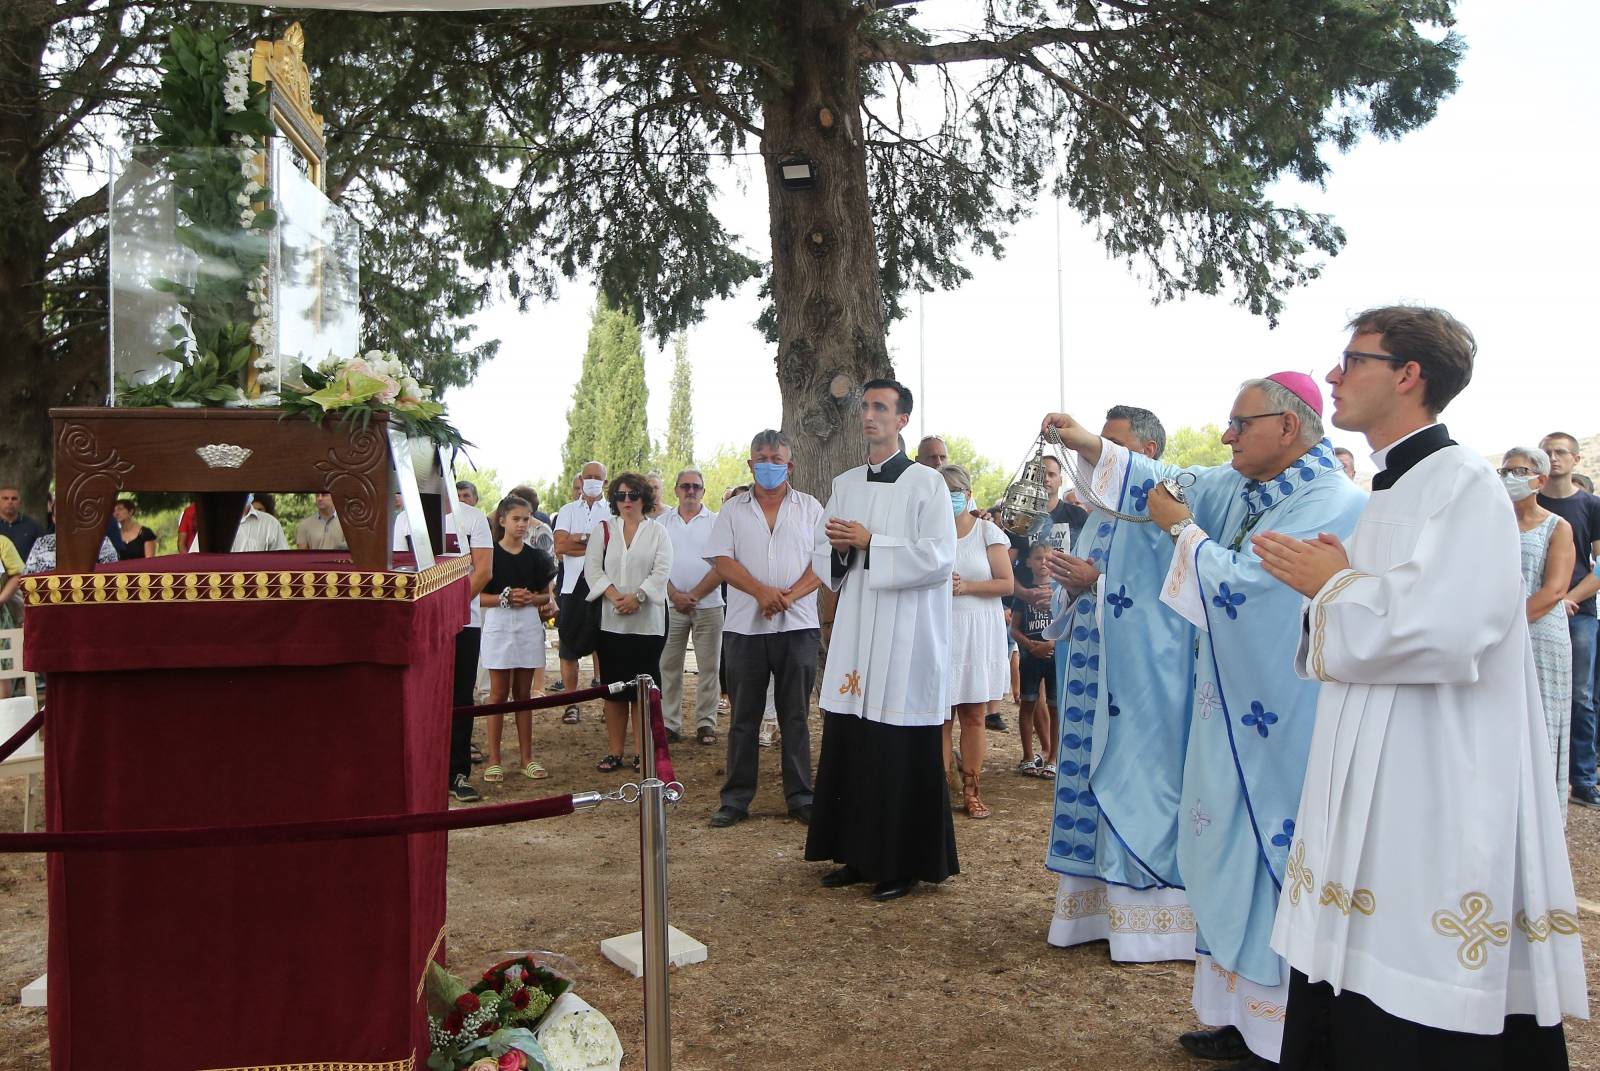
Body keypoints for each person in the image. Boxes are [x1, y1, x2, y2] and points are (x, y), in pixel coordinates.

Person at [1257, 306, 1586, 1067]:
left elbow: (1453, 629)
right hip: (1380, 752)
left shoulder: (1463, 481)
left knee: (1415, 971)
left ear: (1408, 375)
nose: (1335, 376)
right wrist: (1335, 585)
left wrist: (1335, 582)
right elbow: (1383, 607)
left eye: (1352, 359)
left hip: (1435, 763)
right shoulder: (1392, 487)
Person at [1042, 370, 1366, 1071]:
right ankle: (1235, 1017)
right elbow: (1166, 478)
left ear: (1287, 425)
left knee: (1266, 854)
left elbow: (1254, 591)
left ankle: (1282, 1031)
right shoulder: (1242, 487)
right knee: (1221, 848)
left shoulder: (1330, 500)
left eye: (1240, 423)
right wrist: (1091, 445)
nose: (1226, 436)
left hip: (1279, 726)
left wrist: (1183, 532)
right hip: (1226, 711)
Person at [1040, 403, 1197, 964]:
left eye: (1108, 446)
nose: (1093, 455)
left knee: (1133, 780)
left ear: (1146, 455)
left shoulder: (1165, 511)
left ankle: (1149, 925)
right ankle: (1093, 912)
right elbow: (1089, 587)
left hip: (1140, 685)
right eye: (1095, 444)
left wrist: (1099, 583)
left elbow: (1169, 607)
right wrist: (1071, 587)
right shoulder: (1103, 516)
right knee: (1087, 775)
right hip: (1089, 673)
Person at [807, 379, 958, 903]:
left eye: (880, 408)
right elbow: (824, 557)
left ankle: (902, 862)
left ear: (902, 421)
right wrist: (842, 552)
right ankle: (855, 852)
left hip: (907, 632)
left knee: (897, 744)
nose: (869, 415)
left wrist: (873, 544)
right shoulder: (846, 483)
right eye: (865, 407)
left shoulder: (927, 485)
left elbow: (940, 558)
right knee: (854, 738)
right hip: (857, 627)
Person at [705, 433, 825, 827]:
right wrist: (761, 592)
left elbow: (824, 561)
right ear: (750, 464)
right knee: (744, 718)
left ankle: (800, 796)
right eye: (761, 458)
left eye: (776, 458)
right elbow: (722, 561)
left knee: (795, 716)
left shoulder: (810, 508)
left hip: (799, 625)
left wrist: (788, 597)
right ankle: (736, 800)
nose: (768, 464)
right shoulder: (733, 511)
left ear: (789, 466)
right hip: (745, 628)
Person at [1501, 446, 1575, 820]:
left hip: (1540, 636)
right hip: (1499, 635)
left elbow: (1555, 590)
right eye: (1506, 470)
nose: (1510, 478)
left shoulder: (1557, 526)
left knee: (1540, 721)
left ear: (1540, 480)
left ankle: (1539, 817)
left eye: (1519, 471)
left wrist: (1505, 624)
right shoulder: (1494, 522)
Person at [584, 472, 672, 773]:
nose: (626, 501)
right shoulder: (604, 529)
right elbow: (592, 570)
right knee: (614, 690)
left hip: (648, 624)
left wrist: (639, 597)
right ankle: (615, 751)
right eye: (620, 495)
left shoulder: (658, 531)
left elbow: (662, 571)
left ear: (644, 498)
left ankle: (641, 752)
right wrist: (614, 596)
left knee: (643, 691)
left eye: (633, 494)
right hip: (611, 622)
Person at [940, 462, 1013, 819]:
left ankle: (971, 788)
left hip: (978, 631)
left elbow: (1007, 584)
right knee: (939, 716)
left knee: (972, 714)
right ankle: (940, 787)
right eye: (944, 493)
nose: (951, 499)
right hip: (939, 630)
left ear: (968, 495)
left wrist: (966, 586)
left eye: (956, 492)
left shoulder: (987, 532)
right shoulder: (929, 533)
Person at [1534, 431, 1600, 808]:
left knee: (1581, 697)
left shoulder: (1591, 506)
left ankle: (1584, 779)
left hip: (1577, 614)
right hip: (1531, 611)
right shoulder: (1528, 502)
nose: (1554, 458)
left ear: (1575, 460)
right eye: (1547, 452)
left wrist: (1567, 599)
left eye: (1561, 453)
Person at [480, 495, 557, 785]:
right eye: (516, 519)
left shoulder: (537, 556)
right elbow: (479, 596)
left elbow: (544, 594)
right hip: (499, 624)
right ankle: (494, 759)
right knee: (498, 693)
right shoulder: (490, 556)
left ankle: (527, 757)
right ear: (502, 521)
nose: (522, 524)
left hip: (526, 623)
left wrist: (529, 598)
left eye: (526, 519)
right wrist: (505, 597)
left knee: (523, 694)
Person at [658, 468, 724, 746]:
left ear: (704, 492)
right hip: (669, 605)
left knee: (709, 668)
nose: (690, 491)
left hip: (708, 604)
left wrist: (695, 593)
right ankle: (670, 723)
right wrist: (674, 594)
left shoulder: (717, 522)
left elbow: (724, 564)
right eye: (685, 486)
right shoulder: (662, 523)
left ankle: (706, 723)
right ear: (675, 490)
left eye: (696, 487)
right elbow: (655, 565)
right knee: (668, 666)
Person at [447, 488, 494, 803]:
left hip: (465, 620)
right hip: (417, 623)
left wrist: (448, 609)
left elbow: (484, 570)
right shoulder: (405, 519)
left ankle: (457, 772)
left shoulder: (473, 518)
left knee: (461, 695)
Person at [555, 462, 611, 722]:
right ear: (580, 479)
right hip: (570, 587)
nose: (591, 481)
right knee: (568, 645)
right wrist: (593, 542)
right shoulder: (567, 510)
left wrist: (579, 539)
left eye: (596, 477)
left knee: (606, 647)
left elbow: (613, 548)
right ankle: (571, 702)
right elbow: (560, 546)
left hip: (603, 586)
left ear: (605, 482)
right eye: (587, 476)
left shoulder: (612, 511)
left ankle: (608, 704)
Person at [1010, 541, 1057, 777]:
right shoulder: (1024, 594)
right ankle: (1028, 756)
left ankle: (1053, 757)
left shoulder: (1060, 593)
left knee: (1055, 706)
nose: (1043, 563)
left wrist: (1052, 643)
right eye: (1038, 558)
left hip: (1054, 657)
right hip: (1030, 658)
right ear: (1028, 562)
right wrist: (1029, 645)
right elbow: (1014, 629)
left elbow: (1068, 624)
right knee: (1028, 704)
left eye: (1048, 558)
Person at [24, 532, 118, 575]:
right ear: (53, 518)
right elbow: (28, 575)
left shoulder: (101, 541)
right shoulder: (42, 542)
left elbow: (112, 574)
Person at [0, 486, 43, 560]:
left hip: (27, 570)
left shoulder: (32, 525)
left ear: (20, 503)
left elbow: (43, 552)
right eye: (5, 498)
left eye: (14, 499)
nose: (10, 502)